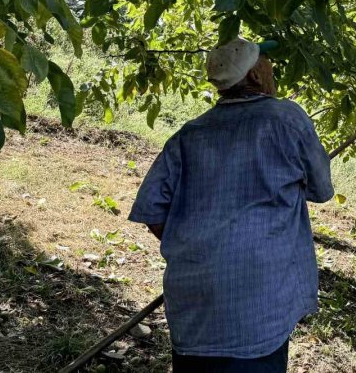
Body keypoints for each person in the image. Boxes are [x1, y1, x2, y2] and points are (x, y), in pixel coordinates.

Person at [128, 38, 334, 373]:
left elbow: (152, 208)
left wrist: (197, 245)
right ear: (254, 75)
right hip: (258, 300)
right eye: (265, 62)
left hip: (193, 295)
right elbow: (321, 189)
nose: (270, 68)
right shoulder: (286, 118)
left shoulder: (190, 133)